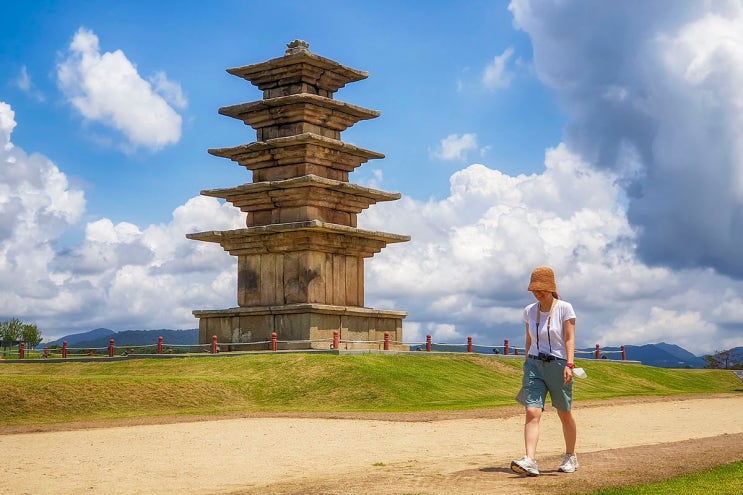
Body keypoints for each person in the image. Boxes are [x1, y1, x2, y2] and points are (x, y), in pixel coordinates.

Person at [510, 266, 578, 477]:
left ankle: (570, 456)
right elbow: (529, 339)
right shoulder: (529, 311)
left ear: (551, 288)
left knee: (564, 412)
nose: (537, 293)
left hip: (558, 365)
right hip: (534, 365)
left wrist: (569, 364)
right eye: (534, 289)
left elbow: (569, 338)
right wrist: (526, 362)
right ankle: (530, 460)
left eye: (542, 289)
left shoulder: (565, 308)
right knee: (532, 411)